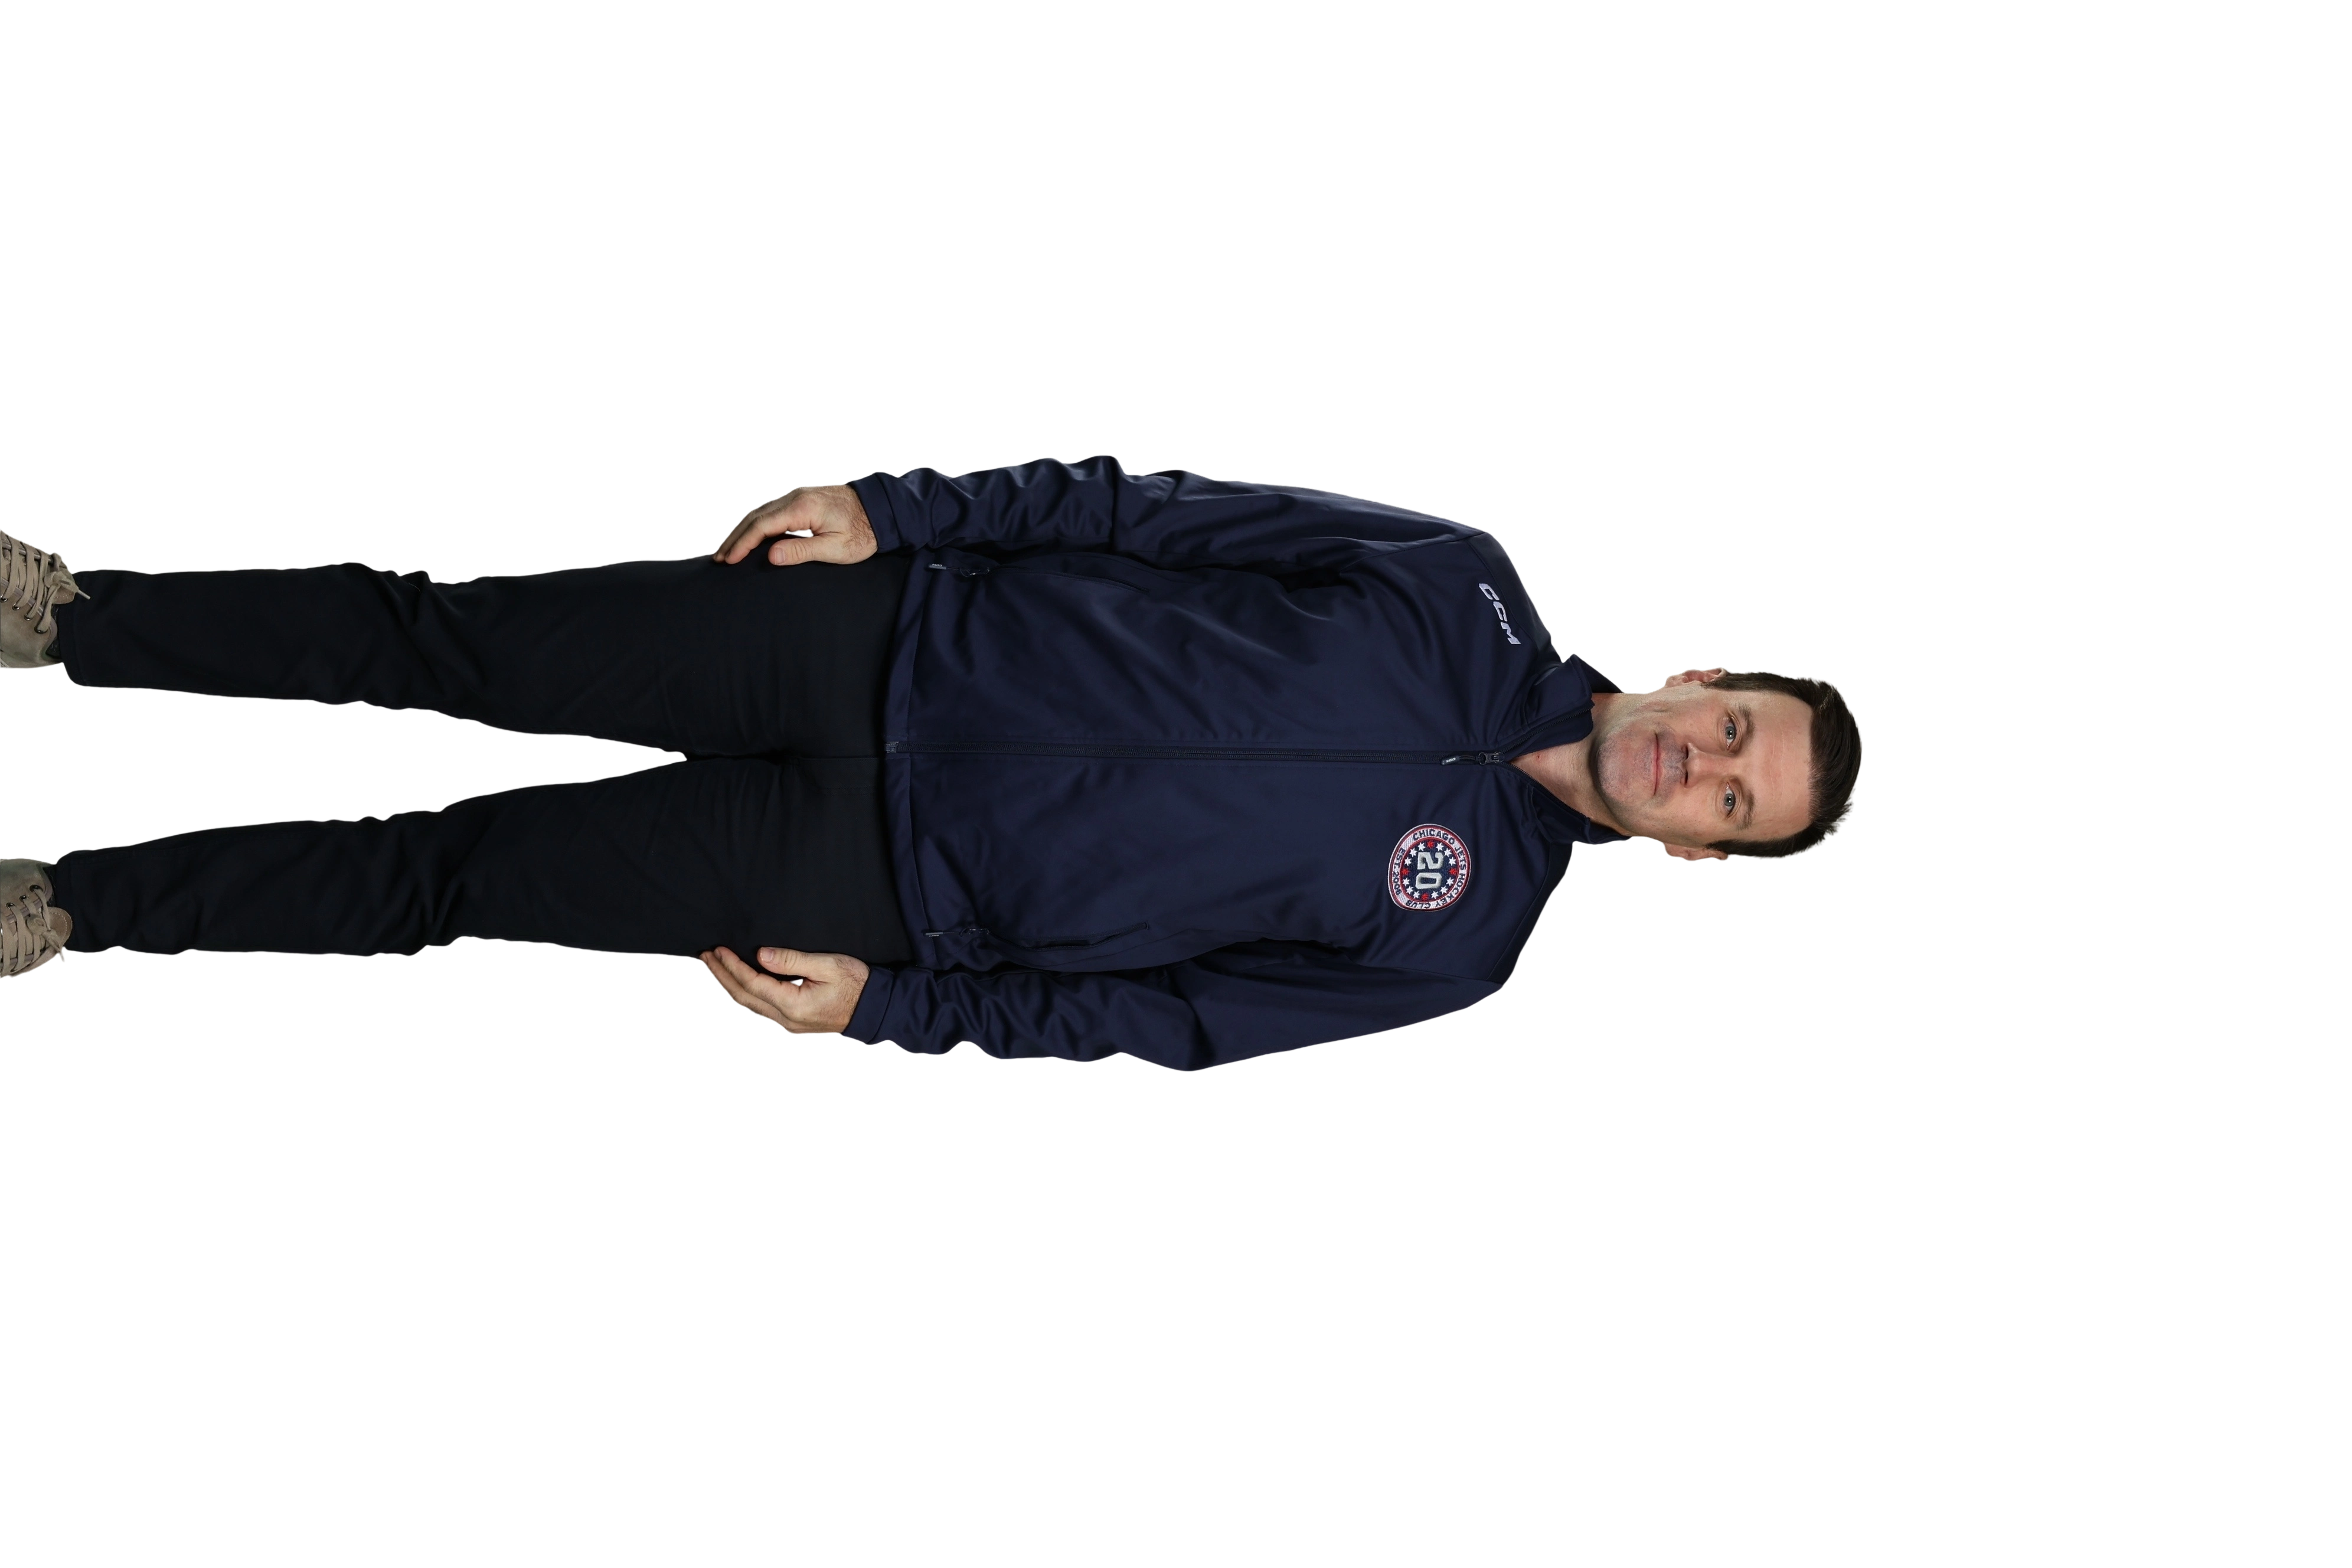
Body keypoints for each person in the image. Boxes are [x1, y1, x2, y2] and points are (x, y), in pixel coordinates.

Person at [0, 454, 1864, 1069]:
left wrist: (895, 1008)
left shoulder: (1462, 947)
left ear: (1701, 853)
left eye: (1732, 800)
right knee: (450, 646)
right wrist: (900, 511)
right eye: (1734, 729)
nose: (1699, 764)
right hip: (873, 631)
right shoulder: (1457, 579)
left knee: (454, 873)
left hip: (871, 888)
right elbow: (1140, 513)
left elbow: (1168, 1025)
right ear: (1703, 674)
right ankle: (71, 621)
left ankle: (67, 909)